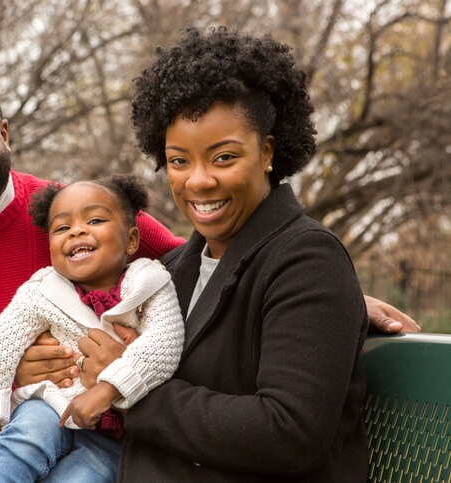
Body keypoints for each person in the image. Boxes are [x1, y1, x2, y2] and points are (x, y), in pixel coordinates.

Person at [0, 61, 415, 483]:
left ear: (5, 132)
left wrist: (343, 293)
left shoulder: (79, 217)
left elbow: (210, 260)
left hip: (60, 440)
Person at [39, 27, 374, 481]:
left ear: (267, 152)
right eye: (179, 161)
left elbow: (287, 431)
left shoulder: (308, 261)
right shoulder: (168, 272)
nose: (197, 181)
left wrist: (127, 388)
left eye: (223, 158)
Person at [0, 175, 184, 482]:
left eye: (94, 219)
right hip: (51, 403)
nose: (77, 230)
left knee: (85, 477)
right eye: (62, 228)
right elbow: (0, 346)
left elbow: (164, 345)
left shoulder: (151, 284)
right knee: (24, 440)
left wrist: (108, 389)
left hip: (114, 432)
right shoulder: (43, 290)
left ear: (132, 240)